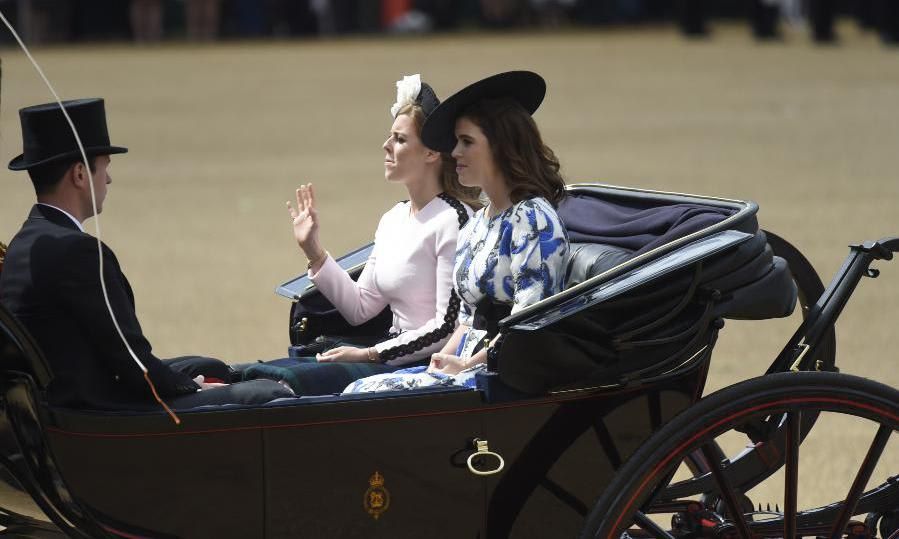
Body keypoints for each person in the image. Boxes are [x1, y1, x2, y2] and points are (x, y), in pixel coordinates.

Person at [0, 98, 293, 410]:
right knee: (267, 395)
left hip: (67, 399)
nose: (108, 179)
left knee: (209, 367)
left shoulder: (23, 243)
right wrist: (190, 388)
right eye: (104, 168)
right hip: (97, 413)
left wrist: (191, 377)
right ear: (80, 175)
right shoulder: (77, 252)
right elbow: (132, 362)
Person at [239, 74, 481, 395]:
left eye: (400, 139)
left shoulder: (454, 219)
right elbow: (360, 308)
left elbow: (446, 327)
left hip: (422, 365)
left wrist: (371, 354)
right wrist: (314, 250)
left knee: (284, 385)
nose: (386, 145)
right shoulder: (393, 218)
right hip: (387, 354)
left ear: (431, 153)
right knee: (251, 374)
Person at [344, 70, 569, 393]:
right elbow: (466, 320)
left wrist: (465, 365)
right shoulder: (477, 223)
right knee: (359, 390)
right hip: (466, 367)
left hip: (504, 375)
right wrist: (440, 363)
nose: (455, 153)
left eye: (467, 142)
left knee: (364, 394)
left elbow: (525, 326)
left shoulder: (533, 220)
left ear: (500, 147)